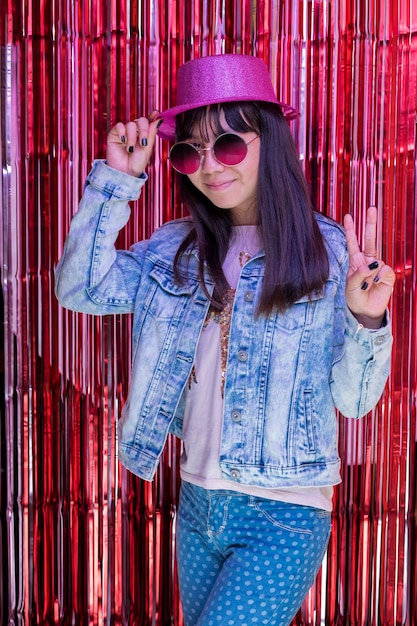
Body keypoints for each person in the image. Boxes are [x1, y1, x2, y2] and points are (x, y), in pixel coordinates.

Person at [55, 54, 395, 625]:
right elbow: (80, 287)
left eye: (229, 145)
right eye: (190, 152)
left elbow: (355, 402)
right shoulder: (174, 250)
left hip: (282, 512)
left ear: (269, 139)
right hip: (196, 504)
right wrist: (117, 179)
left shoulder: (330, 253)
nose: (210, 167)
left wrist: (366, 320)